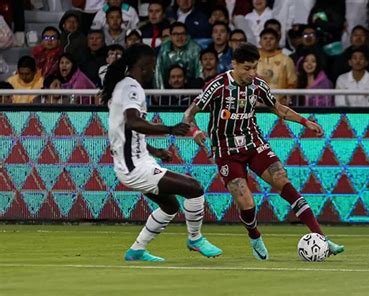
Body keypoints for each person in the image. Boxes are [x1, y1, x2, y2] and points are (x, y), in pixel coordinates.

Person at [183, 42, 344, 261]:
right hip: (226, 150)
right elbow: (188, 115)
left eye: (254, 68)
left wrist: (305, 122)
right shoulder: (217, 86)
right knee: (247, 202)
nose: (251, 73)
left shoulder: (258, 85)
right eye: (246, 68)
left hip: (254, 143)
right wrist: (195, 133)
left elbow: (278, 109)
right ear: (234, 64)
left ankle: (322, 238)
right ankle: (255, 237)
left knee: (282, 180)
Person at [101, 43, 222, 262]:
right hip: (135, 168)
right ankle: (195, 238)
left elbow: (126, 133)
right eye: (153, 65)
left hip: (133, 163)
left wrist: (155, 151)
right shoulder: (132, 88)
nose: (154, 70)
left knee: (170, 206)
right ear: (145, 66)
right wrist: (169, 129)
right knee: (194, 188)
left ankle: (137, 250)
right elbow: (133, 122)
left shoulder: (122, 86)